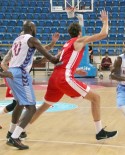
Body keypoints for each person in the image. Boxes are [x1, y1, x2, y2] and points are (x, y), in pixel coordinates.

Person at [28, 10, 117, 141]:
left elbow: (61, 63)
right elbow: (103, 34)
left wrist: (76, 70)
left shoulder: (65, 45)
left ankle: (19, 130)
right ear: (80, 32)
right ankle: (100, 132)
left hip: (55, 78)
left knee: (44, 106)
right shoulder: (79, 40)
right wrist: (105, 21)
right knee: (96, 98)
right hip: (64, 78)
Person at [4, 20, 60, 150]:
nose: (35, 29)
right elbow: (47, 54)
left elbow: (33, 62)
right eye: (34, 27)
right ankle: (15, 137)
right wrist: (56, 59)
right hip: (21, 74)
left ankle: (11, 132)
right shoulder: (32, 39)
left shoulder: (17, 39)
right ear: (30, 28)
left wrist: (50, 54)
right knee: (31, 108)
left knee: (20, 104)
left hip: (12, 72)